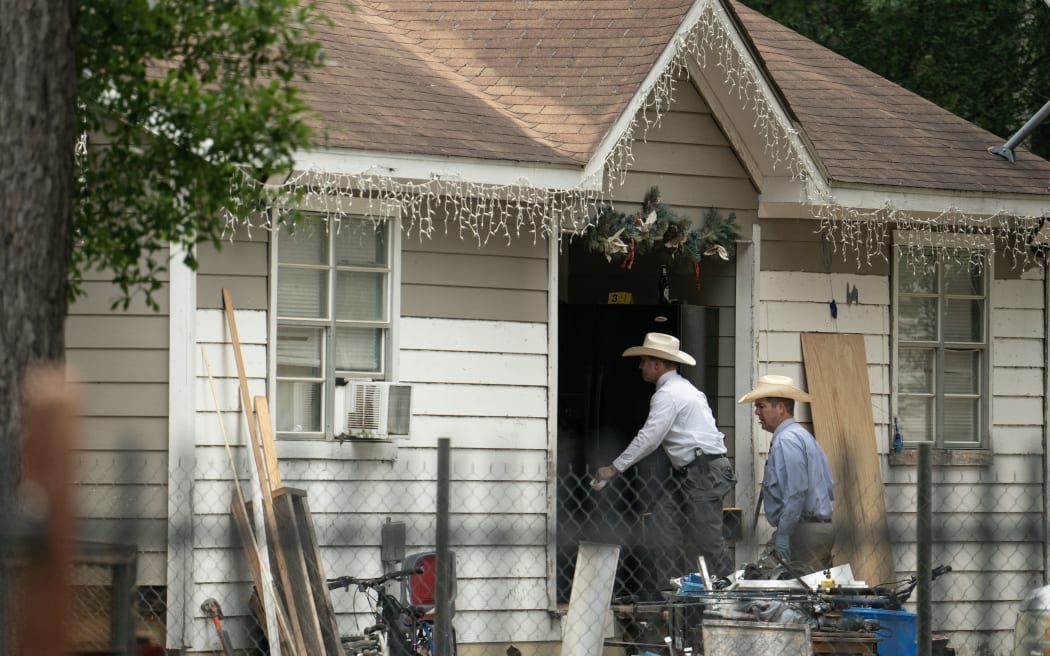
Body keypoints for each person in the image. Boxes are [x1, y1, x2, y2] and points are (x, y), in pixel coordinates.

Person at [593, 332, 736, 580]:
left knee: (708, 540)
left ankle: (732, 594)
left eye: (643, 361)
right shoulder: (683, 389)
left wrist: (614, 468)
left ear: (657, 365)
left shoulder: (668, 394)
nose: (640, 366)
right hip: (695, 471)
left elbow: (649, 438)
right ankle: (677, 591)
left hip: (702, 471)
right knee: (664, 525)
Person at [738, 374, 835, 575]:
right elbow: (828, 486)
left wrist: (784, 533)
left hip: (802, 531)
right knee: (811, 593)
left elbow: (797, 491)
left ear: (780, 408)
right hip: (815, 528)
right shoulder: (802, 436)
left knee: (771, 584)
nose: (756, 412)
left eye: (761, 406)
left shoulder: (787, 440)